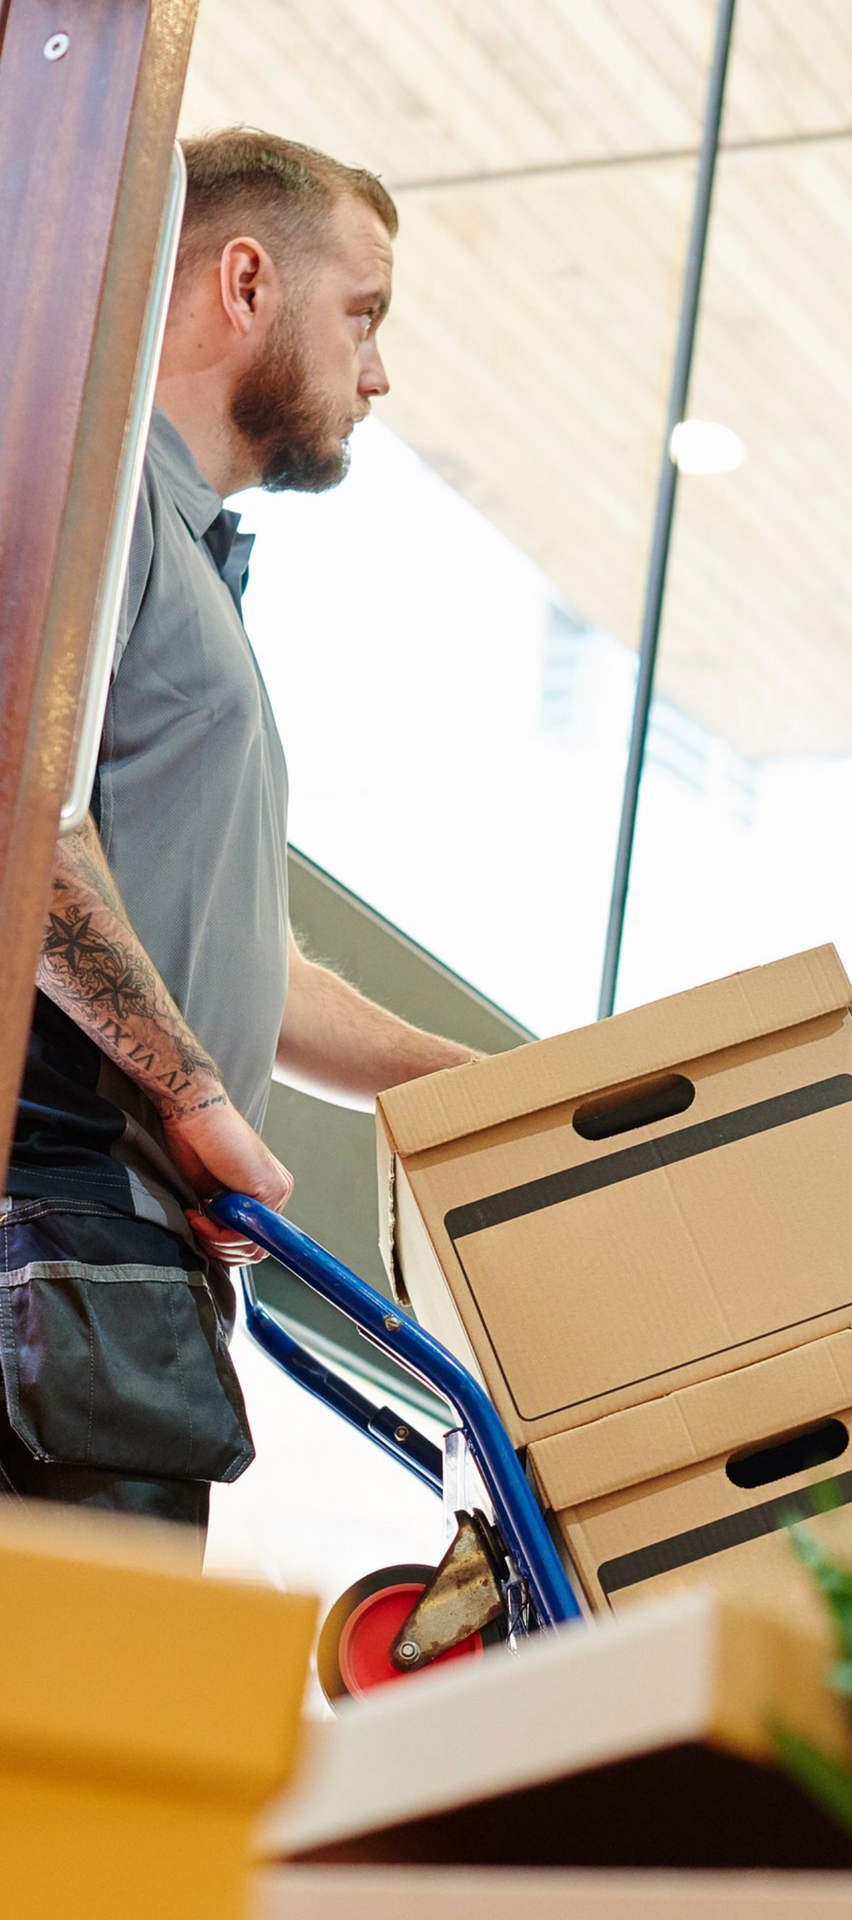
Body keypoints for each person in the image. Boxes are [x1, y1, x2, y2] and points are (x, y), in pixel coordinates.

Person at [2, 128, 481, 1537]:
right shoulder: (92, 511)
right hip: (65, 1230)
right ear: (247, 281)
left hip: (128, 1273)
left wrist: (482, 1091)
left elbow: (249, 969)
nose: (378, 372)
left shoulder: (192, 562)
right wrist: (197, 1100)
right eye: (366, 314)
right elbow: (27, 831)